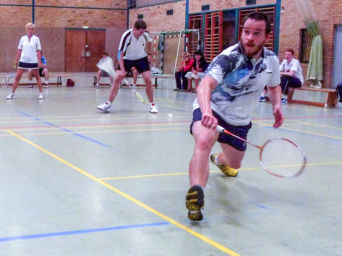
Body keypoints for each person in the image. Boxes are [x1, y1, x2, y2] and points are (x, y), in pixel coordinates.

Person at [185, 12, 284, 221]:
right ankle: (196, 194)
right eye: (246, 32)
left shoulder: (271, 61)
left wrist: (276, 106)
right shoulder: (229, 57)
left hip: (239, 120)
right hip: (212, 110)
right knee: (203, 140)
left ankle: (219, 160)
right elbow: (205, 86)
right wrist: (207, 112)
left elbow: (274, 86)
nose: (249, 37)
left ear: (266, 36)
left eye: (256, 33)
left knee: (234, 164)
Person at [97, 20, 158, 113]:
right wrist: (122, 70)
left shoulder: (145, 34)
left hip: (141, 58)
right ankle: (108, 104)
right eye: (140, 32)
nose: (142, 34)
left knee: (148, 79)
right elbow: (120, 54)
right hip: (127, 58)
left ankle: (152, 105)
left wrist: (149, 54)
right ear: (134, 29)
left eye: (143, 32)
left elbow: (150, 41)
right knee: (117, 79)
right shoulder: (126, 36)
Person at [7, 22, 43, 100]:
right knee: (17, 77)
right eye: (29, 29)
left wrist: (39, 62)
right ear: (26, 29)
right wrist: (16, 60)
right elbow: (19, 50)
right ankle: (12, 94)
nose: (30, 30)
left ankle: (41, 94)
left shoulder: (36, 39)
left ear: (33, 30)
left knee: (37, 77)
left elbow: (39, 51)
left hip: (33, 61)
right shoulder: (22, 38)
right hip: (23, 61)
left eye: (32, 29)